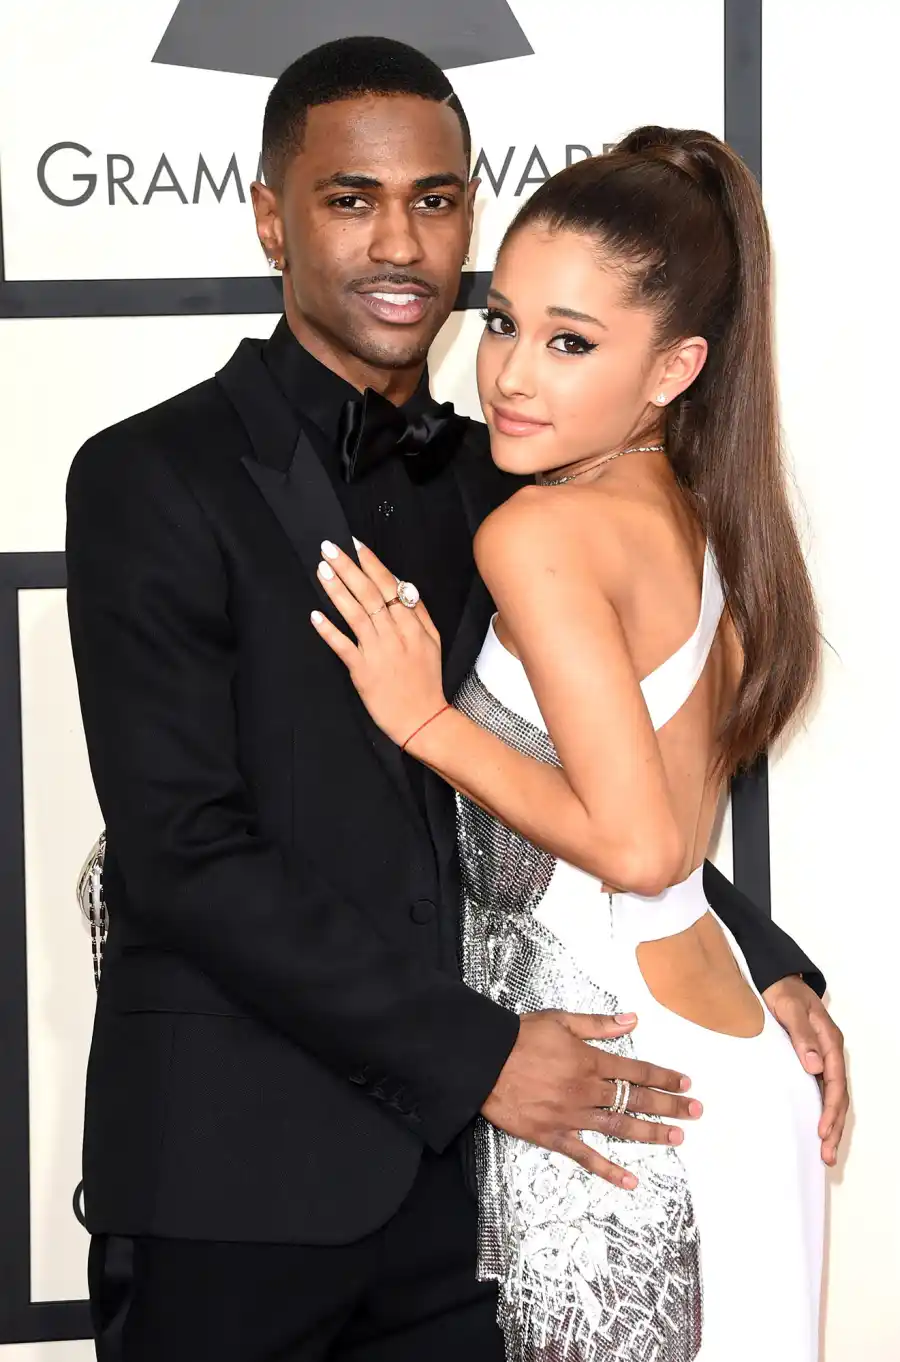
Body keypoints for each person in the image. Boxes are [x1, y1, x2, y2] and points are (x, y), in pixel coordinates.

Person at [65, 36, 844, 1362]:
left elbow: (580, 776)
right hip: (234, 1176)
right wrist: (476, 1053)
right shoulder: (149, 476)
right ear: (270, 219)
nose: (400, 241)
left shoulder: (517, 478)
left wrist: (759, 956)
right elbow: (183, 853)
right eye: (349, 199)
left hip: (465, 1208)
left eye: (433, 200)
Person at [312, 126, 830, 1360]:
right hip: (718, 1060)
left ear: (677, 366)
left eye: (571, 342)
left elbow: (644, 847)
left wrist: (425, 719)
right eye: (502, 322)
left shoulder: (538, 533)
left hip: (630, 1095)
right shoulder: (697, 516)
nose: (510, 374)